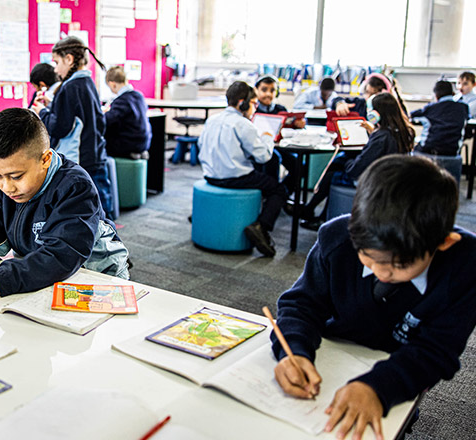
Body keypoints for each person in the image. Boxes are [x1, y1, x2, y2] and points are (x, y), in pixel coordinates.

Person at [271, 155, 476, 440]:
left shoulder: (464, 265)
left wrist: (378, 388)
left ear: (443, 242)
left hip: (400, 370)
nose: (380, 273)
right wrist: (293, 350)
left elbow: (438, 349)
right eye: (368, 257)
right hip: (330, 356)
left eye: (399, 265)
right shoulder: (338, 238)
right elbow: (301, 304)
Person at [0, 108, 129, 305]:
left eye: (16, 176)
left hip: (98, 279)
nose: (7, 187)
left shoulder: (75, 187)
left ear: (45, 159)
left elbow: (61, 256)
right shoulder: (2, 188)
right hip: (40, 275)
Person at [301, 93, 414, 230]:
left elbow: (355, 170)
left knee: (334, 172)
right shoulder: (403, 132)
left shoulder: (380, 137)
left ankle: (318, 214)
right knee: (337, 167)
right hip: (390, 180)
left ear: (376, 114)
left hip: (373, 182)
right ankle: (317, 213)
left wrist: (347, 161)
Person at [197, 81, 285, 258]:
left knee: (258, 175)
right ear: (242, 103)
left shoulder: (212, 120)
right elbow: (264, 157)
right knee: (278, 189)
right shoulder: (244, 124)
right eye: (254, 103)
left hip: (210, 175)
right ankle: (261, 227)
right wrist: (268, 138)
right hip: (234, 178)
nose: (255, 107)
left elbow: (201, 145)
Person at [31, 36, 114, 220]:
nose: (55, 68)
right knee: (101, 209)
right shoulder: (87, 83)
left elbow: (60, 127)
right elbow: (79, 116)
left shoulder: (69, 87)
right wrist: (52, 103)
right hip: (95, 154)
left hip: (80, 159)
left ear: (69, 59)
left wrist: (42, 111)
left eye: (57, 62)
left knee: (83, 209)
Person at [103, 66, 151, 159]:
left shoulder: (121, 100)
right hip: (144, 142)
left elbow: (107, 120)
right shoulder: (139, 96)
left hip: (130, 143)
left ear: (113, 84)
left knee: (103, 138)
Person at [411, 80, 469, 157]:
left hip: (428, 152)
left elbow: (411, 115)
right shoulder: (463, 107)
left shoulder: (431, 108)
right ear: (453, 93)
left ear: (436, 95)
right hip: (452, 153)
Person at [332, 72, 407, 118]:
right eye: (367, 92)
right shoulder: (361, 104)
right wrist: (340, 103)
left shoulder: (392, 112)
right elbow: (337, 99)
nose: (368, 97)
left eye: (373, 94)